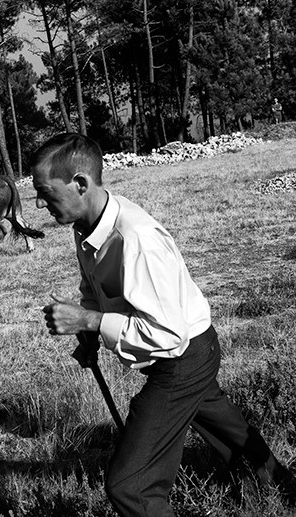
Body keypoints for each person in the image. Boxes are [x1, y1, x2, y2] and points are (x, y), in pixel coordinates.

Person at [30, 133, 294, 516]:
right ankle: (279, 488)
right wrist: (88, 332)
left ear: (81, 183)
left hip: (183, 357)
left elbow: (168, 334)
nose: (38, 202)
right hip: (184, 354)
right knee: (230, 433)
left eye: (44, 190)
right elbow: (95, 286)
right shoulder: (86, 226)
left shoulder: (136, 239)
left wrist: (88, 319)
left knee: (130, 487)